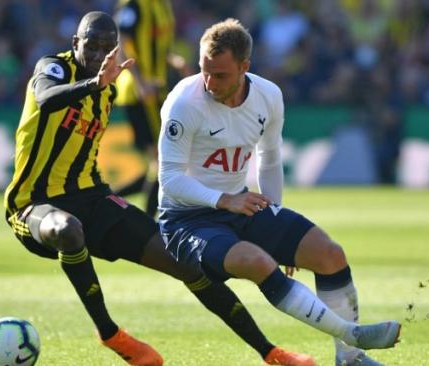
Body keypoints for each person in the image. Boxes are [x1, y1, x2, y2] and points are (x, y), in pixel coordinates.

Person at [4, 11, 314, 366]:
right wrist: (94, 84)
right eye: (90, 46)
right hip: (33, 202)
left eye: (107, 48)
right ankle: (111, 334)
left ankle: (271, 352)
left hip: (91, 195)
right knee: (67, 230)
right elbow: (45, 98)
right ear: (76, 43)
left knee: (186, 263)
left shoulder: (110, 86)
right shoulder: (55, 68)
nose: (97, 55)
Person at [157, 18, 402, 366]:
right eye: (204, 71)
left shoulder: (268, 95)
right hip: (187, 220)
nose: (209, 82)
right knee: (256, 260)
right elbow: (169, 179)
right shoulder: (184, 103)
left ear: (245, 67)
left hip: (239, 205)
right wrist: (226, 200)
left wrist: (275, 223)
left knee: (330, 254)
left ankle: (350, 359)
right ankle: (353, 335)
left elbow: (269, 159)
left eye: (220, 74)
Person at [112, 0, 191, 216]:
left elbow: (159, 46)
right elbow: (122, 42)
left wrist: (175, 61)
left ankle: (108, 198)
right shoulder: (134, 5)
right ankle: (148, 221)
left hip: (158, 89)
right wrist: (140, 82)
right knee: (161, 159)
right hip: (138, 92)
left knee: (161, 162)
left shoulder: (163, 6)